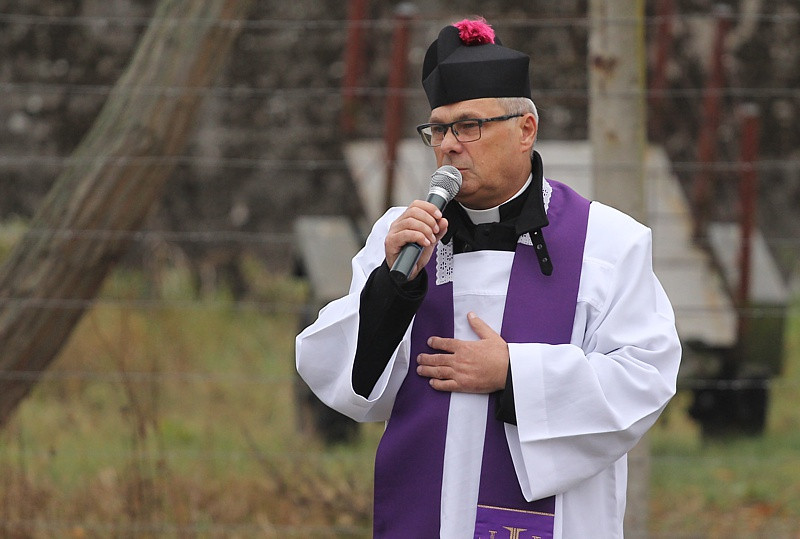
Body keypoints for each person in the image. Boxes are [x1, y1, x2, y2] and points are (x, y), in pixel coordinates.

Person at [296, 17, 681, 538]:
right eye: (439, 128)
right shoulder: (401, 236)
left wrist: (515, 373)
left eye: (470, 125)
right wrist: (393, 286)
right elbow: (352, 382)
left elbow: (645, 376)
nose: (450, 144)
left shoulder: (608, 242)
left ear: (526, 129)